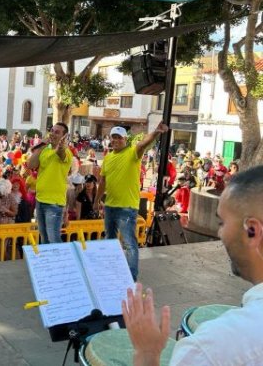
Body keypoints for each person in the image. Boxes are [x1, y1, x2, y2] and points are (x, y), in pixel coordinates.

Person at [123, 165, 263, 365]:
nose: (220, 234)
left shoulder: (214, 348)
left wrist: (146, 353)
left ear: (252, 231)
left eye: (222, 223)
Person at [95, 123, 168, 281]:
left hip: (127, 208)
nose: (115, 140)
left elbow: (143, 143)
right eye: (113, 137)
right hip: (110, 206)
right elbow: (103, 181)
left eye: (119, 138)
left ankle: (131, 277)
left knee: (129, 243)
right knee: (110, 240)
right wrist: (97, 200)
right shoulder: (107, 158)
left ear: (125, 140)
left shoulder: (132, 152)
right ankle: (112, 272)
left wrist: (155, 132)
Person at [27, 122, 73, 244]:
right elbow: (30, 165)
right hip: (40, 199)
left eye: (57, 132)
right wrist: (43, 145)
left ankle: (60, 262)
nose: (53, 133)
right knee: (44, 238)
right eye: (52, 130)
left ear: (64, 136)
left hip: (54, 203)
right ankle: (47, 262)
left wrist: (61, 146)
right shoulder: (44, 149)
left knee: (53, 238)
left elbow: (61, 154)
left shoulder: (67, 152)